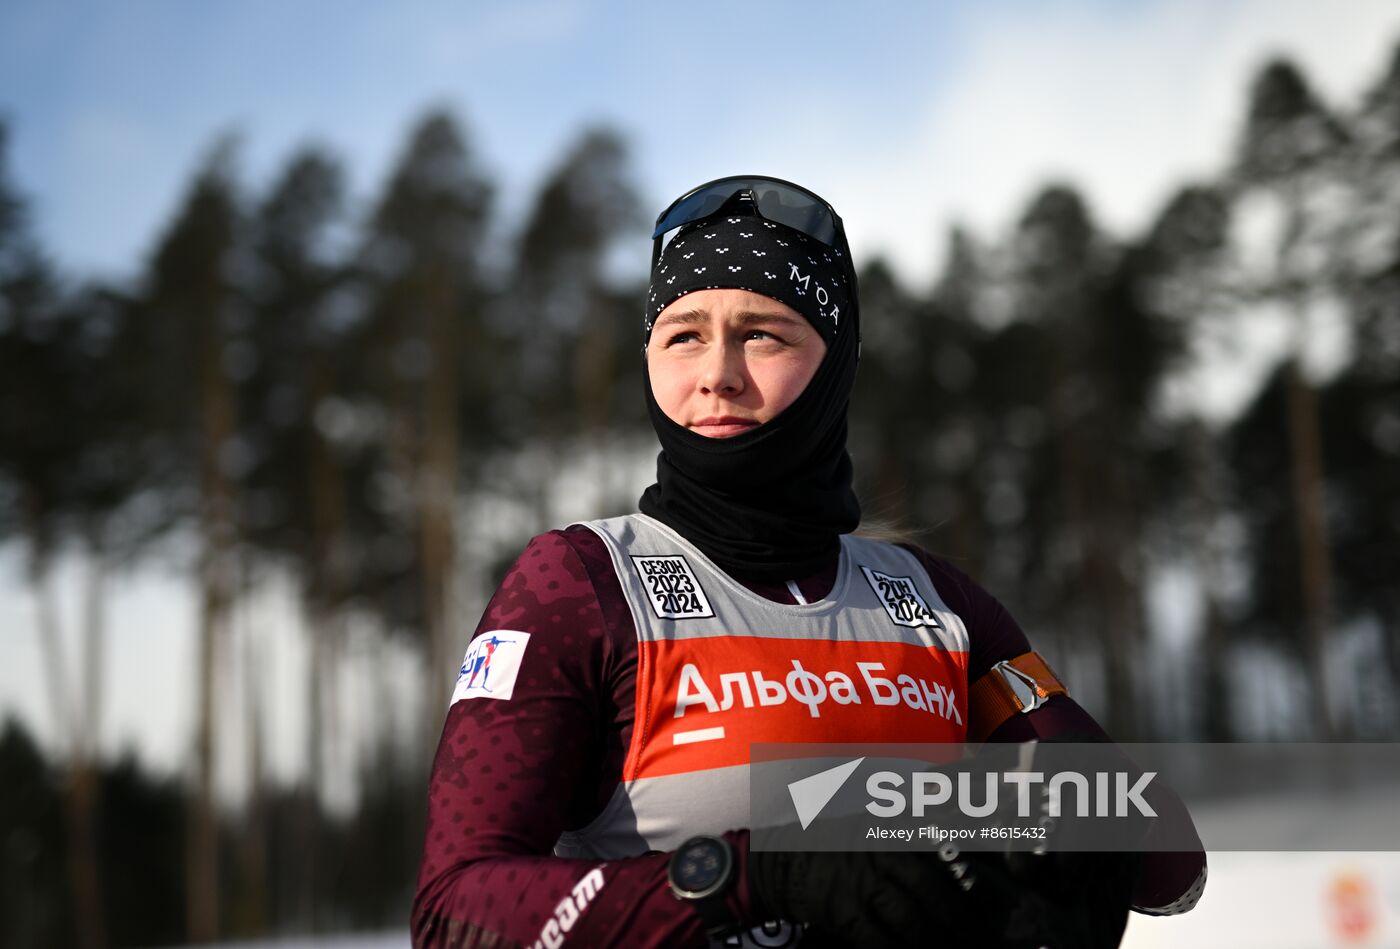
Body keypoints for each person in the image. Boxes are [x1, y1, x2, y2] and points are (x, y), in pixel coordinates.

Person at [411, 176, 1206, 948]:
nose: (717, 373)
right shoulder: (577, 585)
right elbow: (454, 916)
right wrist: (751, 874)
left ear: (836, 364)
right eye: (683, 335)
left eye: (762, 333)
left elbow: (1170, 868)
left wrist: (1067, 817)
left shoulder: (931, 601)